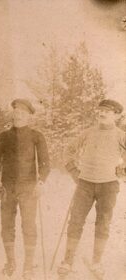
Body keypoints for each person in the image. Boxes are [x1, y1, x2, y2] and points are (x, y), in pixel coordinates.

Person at [57, 99, 125, 278]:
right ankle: (68, 260)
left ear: (117, 115)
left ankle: (96, 262)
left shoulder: (120, 135)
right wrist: (73, 170)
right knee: (76, 221)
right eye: (100, 110)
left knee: (103, 223)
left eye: (107, 111)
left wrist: (123, 169)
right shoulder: (88, 133)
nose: (102, 114)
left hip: (108, 185)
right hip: (85, 184)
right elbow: (69, 150)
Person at [0, 99, 50, 279]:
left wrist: (41, 182)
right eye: (15, 111)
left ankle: (29, 265)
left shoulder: (36, 136)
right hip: (7, 188)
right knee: (7, 225)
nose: (18, 115)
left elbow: (45, 164)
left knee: (28, 226)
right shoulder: (4, 136)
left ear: (29, 116)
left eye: (22, 112)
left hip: (28, 189)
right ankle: (11, 261)